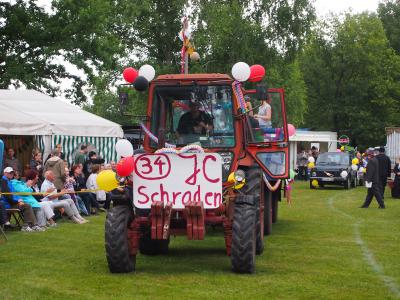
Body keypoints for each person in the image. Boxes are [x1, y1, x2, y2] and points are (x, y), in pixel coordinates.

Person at [1, 167, 40, 232]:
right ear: (5, 173)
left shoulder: (8, 181)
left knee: (27, 205)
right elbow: (7, 196)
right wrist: (17, 201)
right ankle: (29, 226)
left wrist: (19, 199)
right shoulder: (4, 181)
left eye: (12, 173)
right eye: (10, 173)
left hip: (11, 203)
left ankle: (33, 225)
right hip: (8, 205)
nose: (11, 174)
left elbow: (15, 194)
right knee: (27, 206)